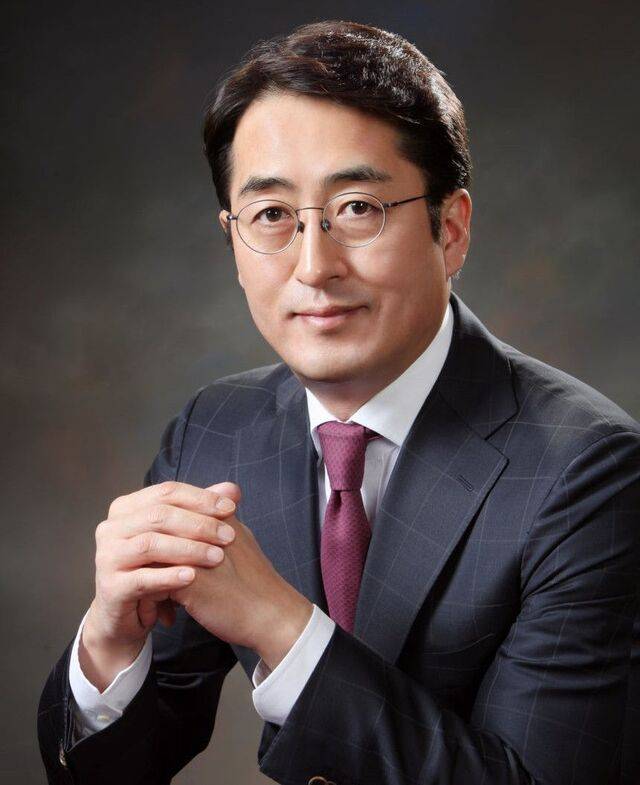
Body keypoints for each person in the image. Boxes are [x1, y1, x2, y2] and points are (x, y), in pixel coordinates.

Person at [37, 19, 640, 785]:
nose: (314, 266)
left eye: (358, 207)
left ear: (451, 229)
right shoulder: (216, 430)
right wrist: (107, 644)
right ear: (232, 240)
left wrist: (281, 625)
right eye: (272, 216)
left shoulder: (589, 472)